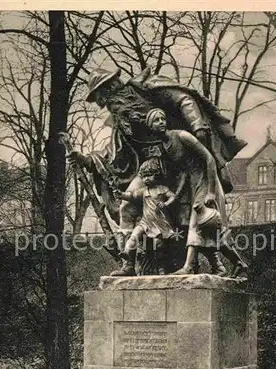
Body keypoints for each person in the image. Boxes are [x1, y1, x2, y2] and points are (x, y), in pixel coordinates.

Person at [68, 67, 247, 236]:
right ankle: (129, 260)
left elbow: (182, 99)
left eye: (100, 96)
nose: (101, 103)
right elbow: (115, 153)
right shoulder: (119, 117)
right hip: (152, 166)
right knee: (127, 207)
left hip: (181, 155)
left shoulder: (145, 88)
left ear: (110, 88)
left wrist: (197, 124)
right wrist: (87, 160)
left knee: (200, 213)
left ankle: (211, 258)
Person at [145, 108, 247, 277]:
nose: (161, 122)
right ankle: (238, 263)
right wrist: (178, 195)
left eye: (163, 118)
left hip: (207, 182)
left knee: (196, 224)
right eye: (156, 120)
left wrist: (211, 193)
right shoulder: (164, 146)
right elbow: (184, 171)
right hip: (193, 185)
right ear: (150, 126)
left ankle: (188, 267)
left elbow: (209, 160)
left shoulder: (182, 135)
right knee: (213, 230)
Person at [112, 158, 177, 276]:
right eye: (144, 176)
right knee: (134, 235)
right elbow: (132, 196)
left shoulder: (162, 189)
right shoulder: (143, 190)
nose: (146, 179)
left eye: (149, 175)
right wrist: (121, 195)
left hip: (159, 222)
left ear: (156, 175)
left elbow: (173, 196)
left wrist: (166, 204)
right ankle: (127, 254)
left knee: (159, 245)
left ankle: (161, 268)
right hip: (145, 221)